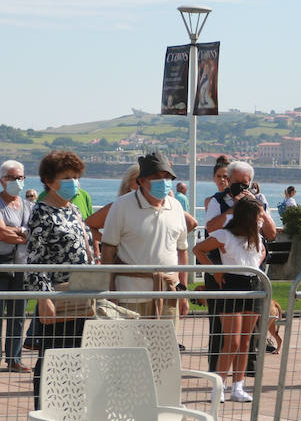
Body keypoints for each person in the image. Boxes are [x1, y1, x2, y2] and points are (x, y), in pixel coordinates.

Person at [24, 151, 93, 421]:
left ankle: (70, 417)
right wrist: (44, 297)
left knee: (76, 360)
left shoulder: (73, 209)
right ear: (49, 180)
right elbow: (35, 258)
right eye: (67, 178)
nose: (73, 183)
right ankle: (44, 420)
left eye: (76, 177)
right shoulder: (41, 211)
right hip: (58, 295)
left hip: (82, 294)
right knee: (52, 359)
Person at [193, 191, 267, 403]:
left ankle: (238, 386)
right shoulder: (225, 235)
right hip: (232, 285)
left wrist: (257, 265)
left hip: (254, 285)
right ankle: (219, 386)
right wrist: (215, 270)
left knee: (246, 341)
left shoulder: (257, 238)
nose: (261, 218)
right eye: (258, 215)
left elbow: (260, 254)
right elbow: (198, 249)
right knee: (231, 341)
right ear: (247, 216)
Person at [100, 152, 190, 320]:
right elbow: (108, 251)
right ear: (141, 181)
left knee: (165, 346)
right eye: (157, 177)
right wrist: (110, 291)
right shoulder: (121, 206)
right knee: (132, 345)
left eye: (167, 177)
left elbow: (182, 251)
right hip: (130, 296)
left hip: (168, 294)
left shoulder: (176, 207)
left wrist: (183, 292)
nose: (163, 182)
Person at [0, 161, 32, 374]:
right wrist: (22, 234)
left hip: (21, 265)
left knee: (18, 315)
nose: (18, 182)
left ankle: (14, 359)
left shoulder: (28, 205)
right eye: (13, 178)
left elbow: (33, 232)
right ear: (3, 180)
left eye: (21, 178)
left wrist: (16, 231)